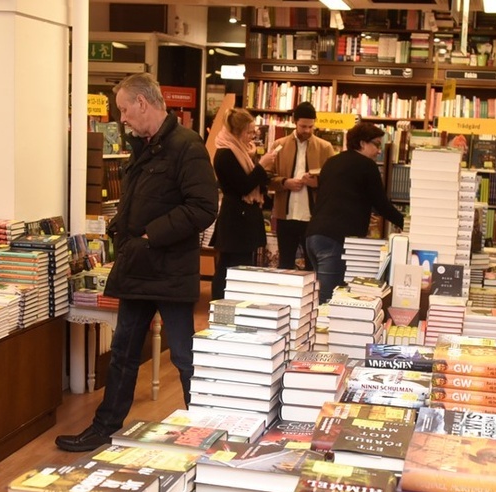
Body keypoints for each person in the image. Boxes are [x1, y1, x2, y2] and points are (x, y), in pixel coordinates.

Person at [56, 73, 218, 453]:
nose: (122, 118)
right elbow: (140, 199)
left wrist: (150, 236)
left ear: (143, 103)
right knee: (124, 354)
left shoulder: (187, 146)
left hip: (170, 272)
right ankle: (103, 428)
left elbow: (203, 207)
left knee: (183, 357)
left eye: (125, 109)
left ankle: (205, 433)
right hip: (138, 268)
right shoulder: (144, 146)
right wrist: (119, 228)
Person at [305, 122, 405, 303]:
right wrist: (406, 223)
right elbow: (381, 204)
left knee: (321, 296)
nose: (379, 150)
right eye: (376, 144)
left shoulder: (332, 162)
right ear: (361, 143)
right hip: (336, 239)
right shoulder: (367, 166)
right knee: (330, 300)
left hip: (314, 235)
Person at [210, 108, 279, 299]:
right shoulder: (225, 154)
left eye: (253, 131)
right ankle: (221, 306)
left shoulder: (244, 151)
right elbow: (242, 186)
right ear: (236, 132)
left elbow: (254, 183)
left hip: (246, 219)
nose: (253, 135)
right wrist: (262, 166)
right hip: (235, 221)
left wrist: (264, 172)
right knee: (229, 268)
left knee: (241, 267)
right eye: (249, 132)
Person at [268, 101, 336, 270]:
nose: (307, 131)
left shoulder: (325, 147)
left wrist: (317, 183)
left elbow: (335, 181)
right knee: (285, 263)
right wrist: (285, 183)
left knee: (312, 264)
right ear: (294, 122)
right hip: (286, 215)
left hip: (312, 218)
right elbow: (267, 177)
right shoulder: (279, 145)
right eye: (303, 126)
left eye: (310, 127)